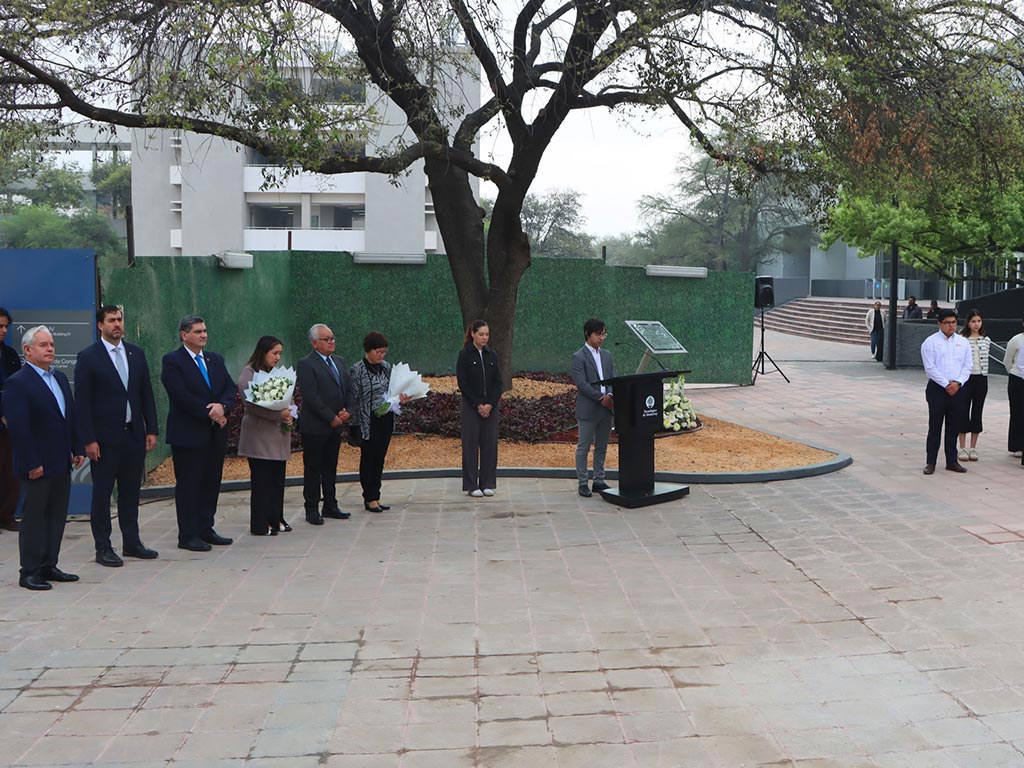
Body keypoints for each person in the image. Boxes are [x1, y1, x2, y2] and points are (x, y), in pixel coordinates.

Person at [75, 305, 160, 567]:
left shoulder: (135, 353)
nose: (117, 324)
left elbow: (146, 393)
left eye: (120, 319)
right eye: (111, 320)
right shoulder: (89, 357)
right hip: (104, 439)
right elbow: (82, 402)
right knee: (102, 494)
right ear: (100, 325)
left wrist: (151, 429)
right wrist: (88, 439)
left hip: (133, 435)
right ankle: (103, 547)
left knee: (131, 492)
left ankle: (132, 543)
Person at [3, 326, 84, 590]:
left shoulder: (59, 378)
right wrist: (31, 462)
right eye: (43, 345)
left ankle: (49, 565)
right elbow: (19, 428)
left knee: (56, 516)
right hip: (36, 464)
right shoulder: (18, 382)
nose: (50, 349)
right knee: (35, 518)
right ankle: (29, 572)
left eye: (51, 344)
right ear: (27, 350)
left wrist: (77, 447)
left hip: (61, 461)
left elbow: (68, 416)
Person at [161, 315, 236, 551]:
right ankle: (188, 534)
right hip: (188, 434)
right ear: (184, 335)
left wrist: (222, 406)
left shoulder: (215, 359)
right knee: (189, 484)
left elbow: (229, 388)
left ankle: (206, 527)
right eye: (197, 331)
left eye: (204, 331)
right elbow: (180, 395)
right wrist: (210, 412)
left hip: (215, 434)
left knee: (211, 482)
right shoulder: (173, 361)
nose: (203, 335)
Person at [237, 335, 293, 535]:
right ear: (263, 352)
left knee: (277, 481)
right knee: (262, 482)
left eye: (280, 353)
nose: (278, 357)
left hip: (277, 436)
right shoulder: (249, 373)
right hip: (259, 436)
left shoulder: (275, 373)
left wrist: (290, 413)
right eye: (274, 353)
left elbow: (288, 396)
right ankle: (260, 524)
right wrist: (279, 414)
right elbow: (251, 405)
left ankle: (276, 517)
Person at [297, 323, 351, 524]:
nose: (331, 342)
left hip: (337, 424)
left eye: (332, 338)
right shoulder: (306, 364)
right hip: (315, 426)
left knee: (331, 466)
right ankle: (311, 508)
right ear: (314, 343)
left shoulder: (339, 361)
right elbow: (311, 396)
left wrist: (348, 411)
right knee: (313, 468)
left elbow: (348, 388)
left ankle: (331, 504)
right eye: (326, 339)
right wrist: (330, 417)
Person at [349, 331, 409, 512]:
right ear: (369, 350)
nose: (381, 355)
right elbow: (353, 398)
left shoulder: (386, 367)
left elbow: (394, 389)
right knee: (369, 458)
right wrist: (354, 424)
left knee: (380, 458)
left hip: (385, 417)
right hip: (368, 420)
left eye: (384, 352)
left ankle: (377, 494)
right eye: (378, 352)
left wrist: (401, 397)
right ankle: (369, 497)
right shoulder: (358, 369)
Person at [920, 309, 971, 475]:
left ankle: (951, 461)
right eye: (947, 323)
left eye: (954, 322)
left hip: (958, 389)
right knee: (935, 427)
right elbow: (930, 368)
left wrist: (958, 383)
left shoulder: (963, 342)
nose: (951, 326)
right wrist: (946, 384)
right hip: (937, 389)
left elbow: (967, 366)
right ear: (939, 323)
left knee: (953, 427)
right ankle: (931, 462)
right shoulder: (930, 342)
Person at [456, 320, 502, 497]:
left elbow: (498, 382)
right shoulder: (465, 355)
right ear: (473, 334)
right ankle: (471, 484)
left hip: (490, 406)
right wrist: (478, 404)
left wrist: (490, 403)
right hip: (471, 406)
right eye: (481, 334)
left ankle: (487, 482)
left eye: (487, 334)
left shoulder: (492, 355)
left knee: (489, 444)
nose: (484, 338)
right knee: (470, 445)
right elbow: (463, 383)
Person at [572, 318, 615, 497]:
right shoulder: (579, 356)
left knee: (602, 445)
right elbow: (581, 383)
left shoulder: (607, 355)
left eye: (603, 334)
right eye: (598, 334)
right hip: (589, 408)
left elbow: (613, 377)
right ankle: (583, 482)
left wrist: (611, 395)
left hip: (607, 408)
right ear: (587, 334)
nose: (601, 338)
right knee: (584, 446)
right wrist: (600, 397)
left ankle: (599, 479)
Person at [957, 309, 990, 463]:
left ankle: (973, 447)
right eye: (973, 321)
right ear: (968, 323)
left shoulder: (986, 339)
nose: (976, 324)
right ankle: (962, 447)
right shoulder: (962, 339)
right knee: (963, 411)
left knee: (977, 411)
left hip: (981, 378)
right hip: (966, 379)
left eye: (979, 321)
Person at [0, 306, 22, 533]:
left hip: (10, 424)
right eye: (0, 326)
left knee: (10, 471)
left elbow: (18, 387)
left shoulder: (10, 355)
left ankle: (7, 515)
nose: (4, 331)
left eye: (6, 326)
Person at [1005, 319, 1024, 457]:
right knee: (1017, 412)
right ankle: (1016, 446)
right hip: (1017, 379)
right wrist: (1014, 372)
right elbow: (1007, 360)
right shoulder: (1016, 340)